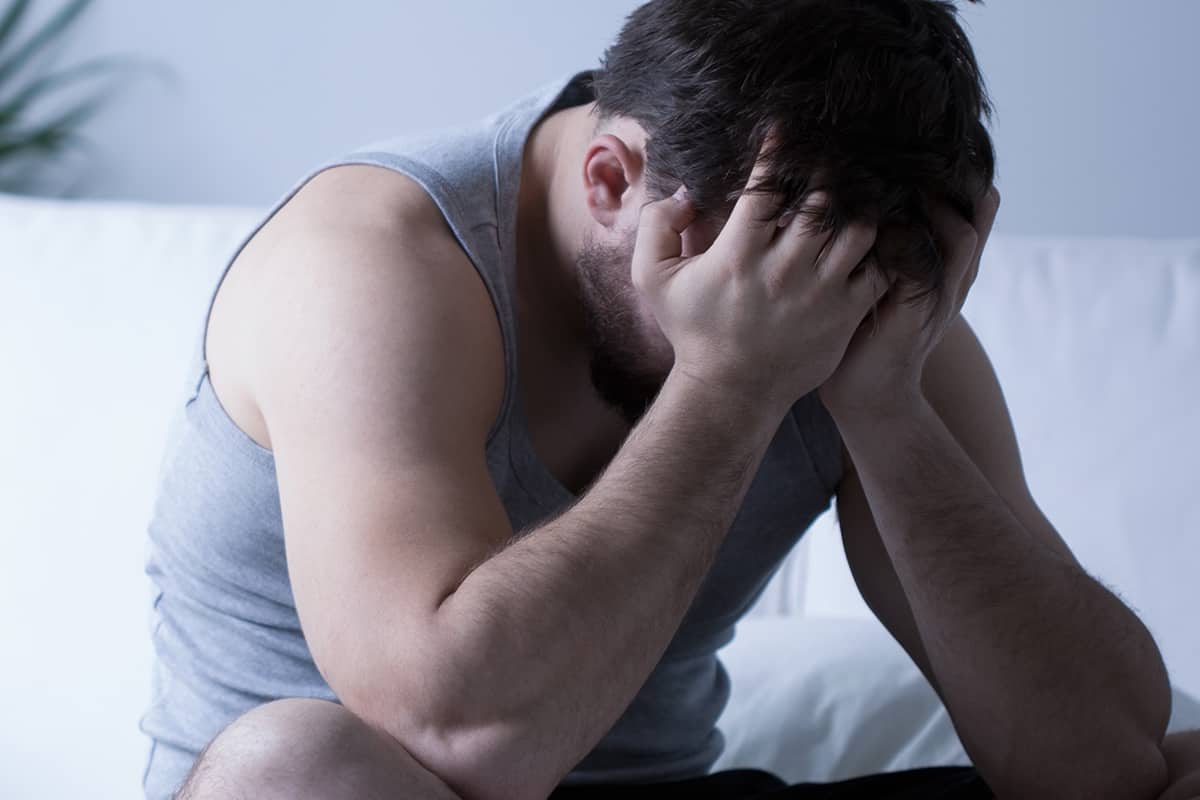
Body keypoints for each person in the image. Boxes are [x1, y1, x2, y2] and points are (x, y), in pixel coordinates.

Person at [140, 1, 1200, 798]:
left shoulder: (851, 303)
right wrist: (733, 381)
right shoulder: (371, 266)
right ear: (611, 181)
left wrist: (886, 409)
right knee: (294, 767)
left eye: (846, 284)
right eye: (770, 271)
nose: (809, 317)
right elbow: (462, 734)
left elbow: (1100, 762)